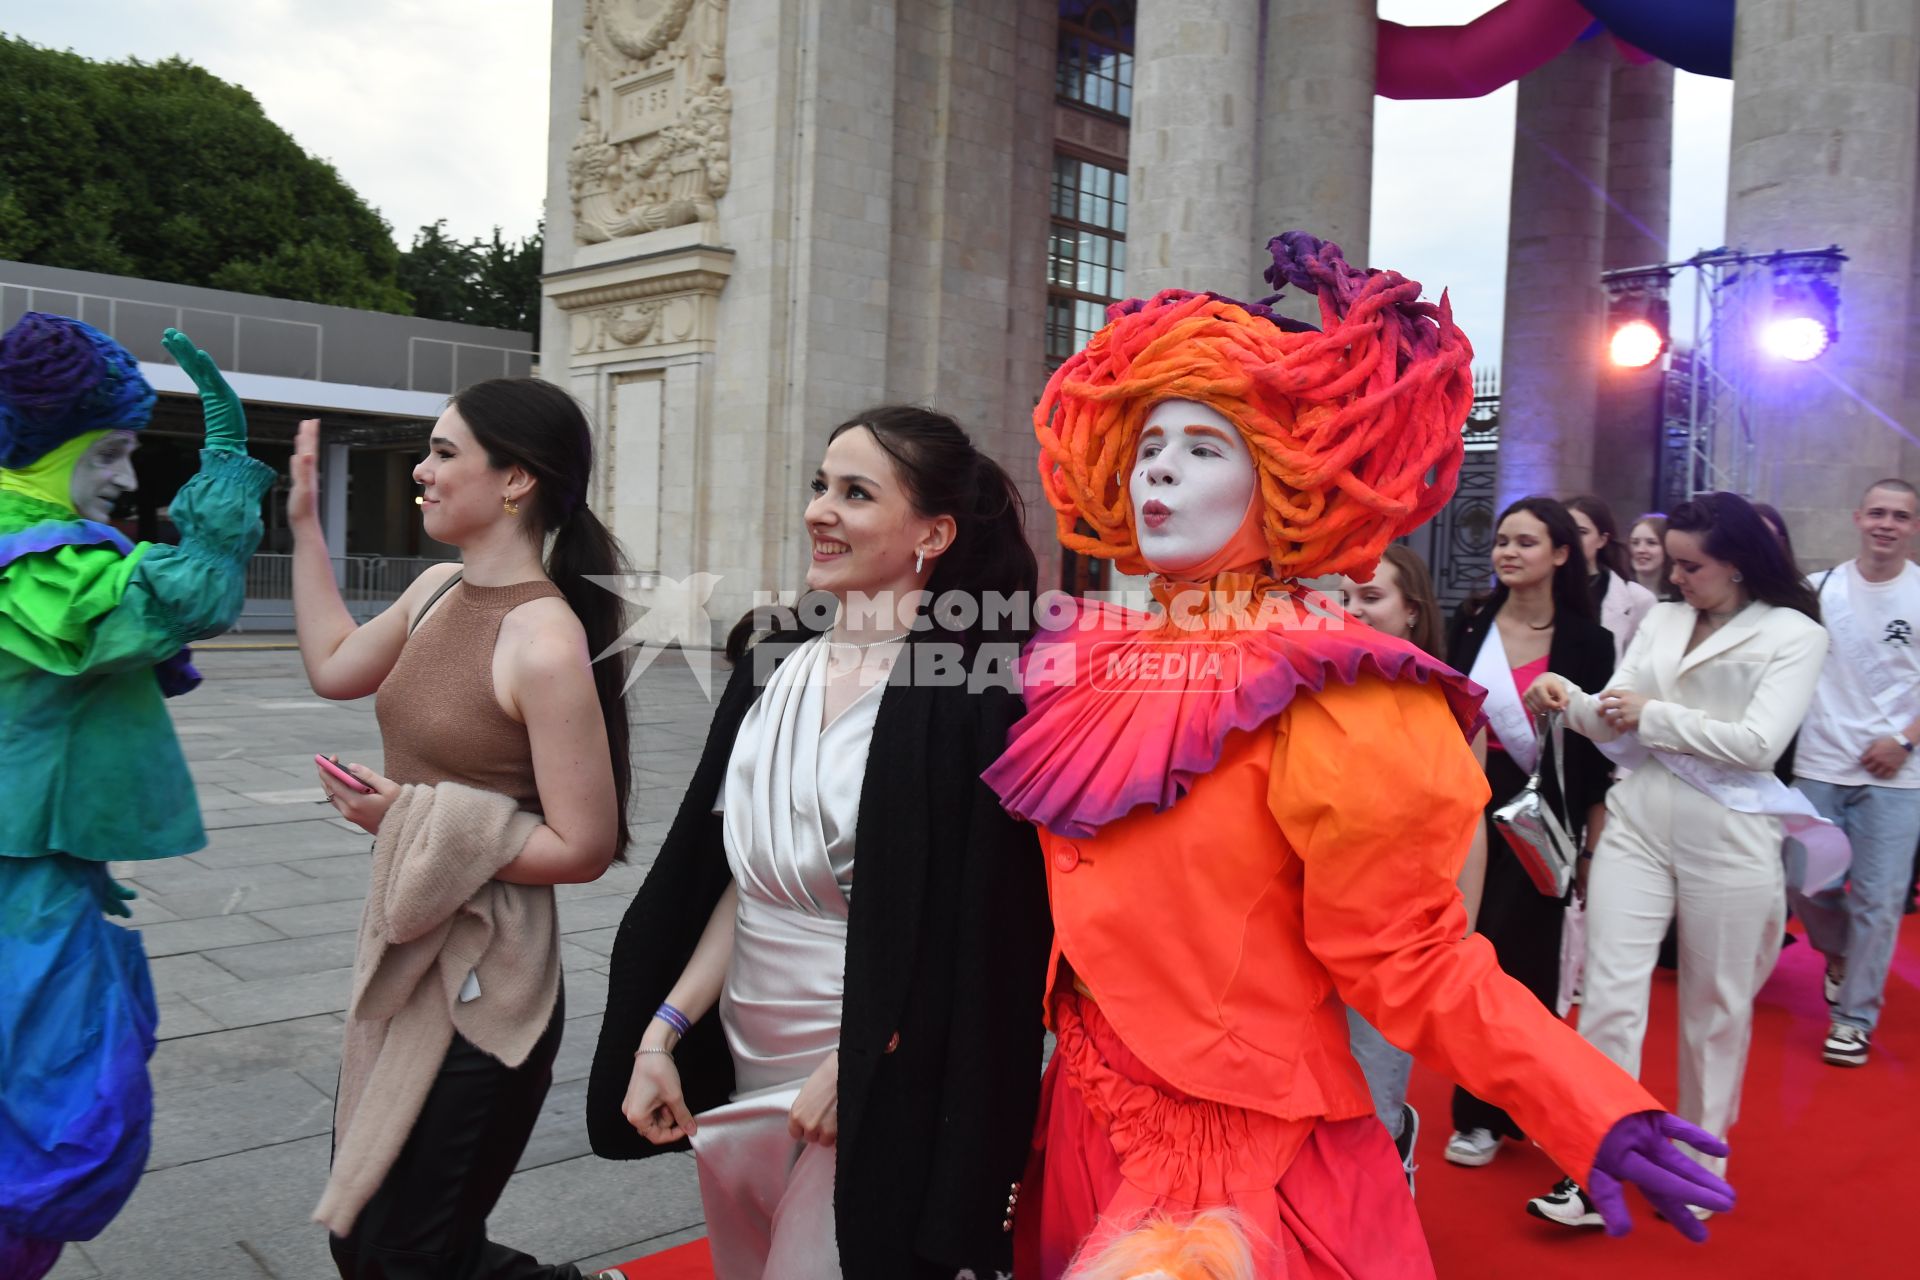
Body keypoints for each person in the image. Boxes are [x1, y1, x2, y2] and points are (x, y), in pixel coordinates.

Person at [984, 232, 1734, 1280]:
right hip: (1082, 1119)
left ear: (1287, 479)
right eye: (1153, 441)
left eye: (1205, 446)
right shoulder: (1086, 658)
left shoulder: (1347, 690)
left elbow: (1413, 952)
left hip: (1249, 1161)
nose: (1161, 466)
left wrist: (1584, 1103)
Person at [587, 406, 1052, 1280]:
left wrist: (865, 1059)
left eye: (855, 492)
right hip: (747, 1049)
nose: (818, 511)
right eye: (819, 485)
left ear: (933, 534)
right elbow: (749, 882)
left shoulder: (974, 699)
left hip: (876, 1068)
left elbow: (980, 935)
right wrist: (663, 1033)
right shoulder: (774, 664)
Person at [294, 379, 633, 1280]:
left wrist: (404, 815)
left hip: (490, 981)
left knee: (404, 1254)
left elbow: (586, 846)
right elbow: (334, 668)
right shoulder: (438, 589)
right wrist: (302, 528)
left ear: (516, 479)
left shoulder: (546, 640)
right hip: (407, 955)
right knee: (362, 1234)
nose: (423, 469)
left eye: (446, 453)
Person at [0, 316, 274, 1279]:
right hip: (17, 887)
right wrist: (229, 466)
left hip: (39, 872)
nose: (125, 481)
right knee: (63, 1117)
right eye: (109, 454)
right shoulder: (27, 555)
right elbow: (174, 602)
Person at [1521, 491, 1827, 1228]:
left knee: (1715, 1008)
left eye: (1692, 566)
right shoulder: (1660, 618)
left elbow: (1759, 743)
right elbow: (1613, 714)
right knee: (1610, 998)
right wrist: (1569, 700)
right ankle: (1595, 1158)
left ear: (1741, 564)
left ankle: (1699, 1157)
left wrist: (1654, 717)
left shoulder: (1794, 631)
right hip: (1637, 820)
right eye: (1674, 565)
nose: (1676, 578)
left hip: (1734, 833)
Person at [1442, 496, 1617, 1170]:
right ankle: (1475, 1114)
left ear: (1562, 554)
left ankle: (1528, 1104)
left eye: (1526, 542)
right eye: (1501, 542)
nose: (1508, 554)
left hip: (1543, 823)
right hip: (1472, 817)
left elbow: (1598, 755)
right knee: (1473, 967)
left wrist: (1593, 846)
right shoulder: (1470, 622)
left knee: (1532, 976)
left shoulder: (1588, 641)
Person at [1789, 479, 1920, 1067]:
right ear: (1858, 518)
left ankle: (1854, 1019)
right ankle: (1840, 951)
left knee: (1879, 899)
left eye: (1900, 516)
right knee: (1801, 878)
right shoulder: (1819, 590)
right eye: (1877, 513)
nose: (1887, 524)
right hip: (1819, 762)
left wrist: (1902, 741)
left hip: (1898, 776)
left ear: (1913, 526)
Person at [1331, 543, 1448, 1189]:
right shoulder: (1309, 688)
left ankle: (1392, 1151)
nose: (1353, 611)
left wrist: (1448, 946)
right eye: (1344, 598)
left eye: (1371, 598)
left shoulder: (1444, 702)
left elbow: (1466, 841)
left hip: (1394, 939)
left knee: (1371, 1106)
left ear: (1412, 611)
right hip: (1306, 929)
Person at [1568, 494, 1656, 662]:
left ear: (1602, 540)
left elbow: (1638, 667)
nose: (1572, 540)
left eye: (1581, 532)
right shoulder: (1542, 589)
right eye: (1567, 531)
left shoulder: (1637, 599)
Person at [1628, 514, 1674, 600]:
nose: (1640, 550)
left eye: (1651, 543)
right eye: (1635, 543)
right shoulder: (1618, 593)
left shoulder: (1681, 598)